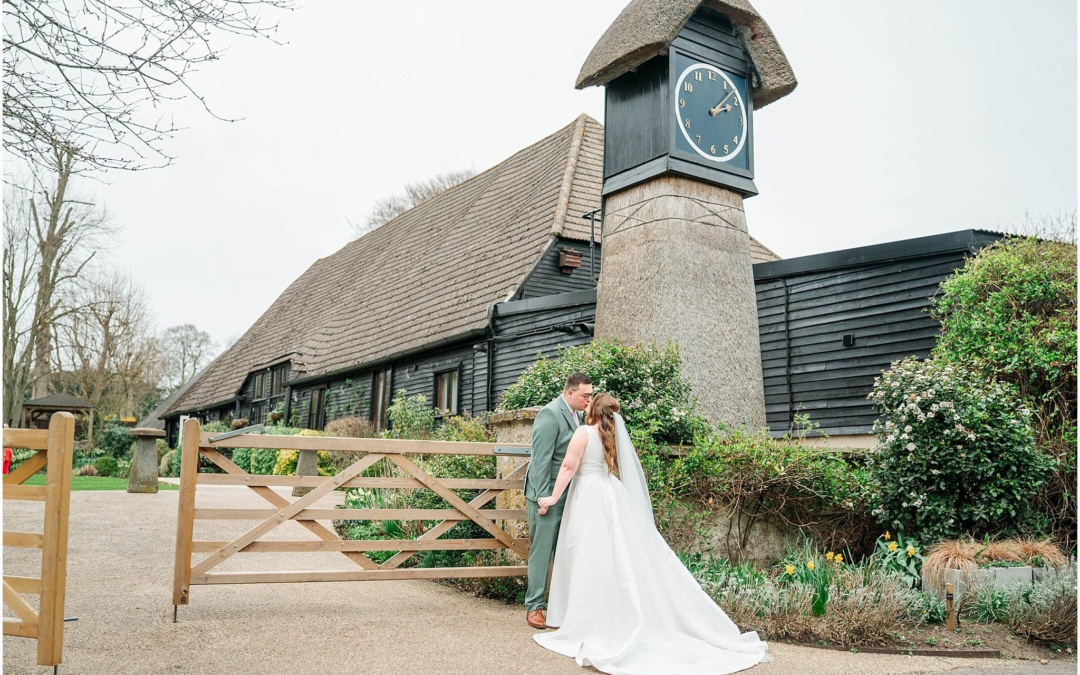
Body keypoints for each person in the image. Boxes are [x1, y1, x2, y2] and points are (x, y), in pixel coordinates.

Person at [533, 393, 771, 675]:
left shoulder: (584, 432)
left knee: (587, 554)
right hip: (610, 494)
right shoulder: (612, 435)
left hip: (587, 497)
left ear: (593, 410)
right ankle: (608, 614)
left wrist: (551, 497)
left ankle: (587, 618)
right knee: (615, 556)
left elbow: (569, 467)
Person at [523, 372, 593, 629]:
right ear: (570, 393)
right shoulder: (550, 414)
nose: (589, 399)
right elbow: (540, 460)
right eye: (585, 395)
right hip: (547, 495)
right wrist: (544, 499)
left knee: (566, 550)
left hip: (570, 495)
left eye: (591, 394)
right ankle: (534, 607)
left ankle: (560, 606)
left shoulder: (579, 415)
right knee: (542, 552)